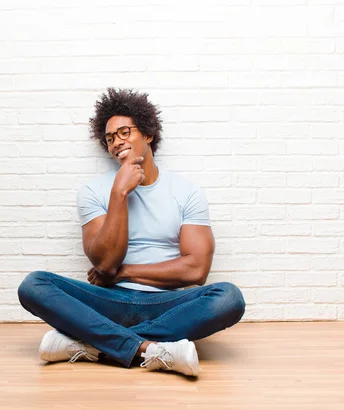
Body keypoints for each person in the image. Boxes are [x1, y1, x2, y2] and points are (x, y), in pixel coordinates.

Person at [17, 88, 246, 377]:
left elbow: (196, 270)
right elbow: (105, 264)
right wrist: (119, 193)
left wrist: (124, 273)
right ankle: (149, 349)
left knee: (229, 297)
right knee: (33, 285)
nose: (117, 143)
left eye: (124, 132)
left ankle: (95, 343)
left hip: (165, 304)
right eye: (110, 138)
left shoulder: (187, 192)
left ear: (148, 133)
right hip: (108, 302)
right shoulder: (93, 192)